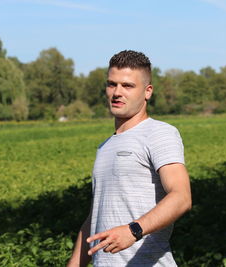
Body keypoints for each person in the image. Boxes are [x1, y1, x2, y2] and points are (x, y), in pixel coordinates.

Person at [66, 50, 192, 267]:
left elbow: (181, 197)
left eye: (127, 86)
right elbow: (95, 217)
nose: (117, 92)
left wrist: (133, 230)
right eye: (111, 84)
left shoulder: (159, 133)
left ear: (147, 91)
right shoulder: (105, 147)